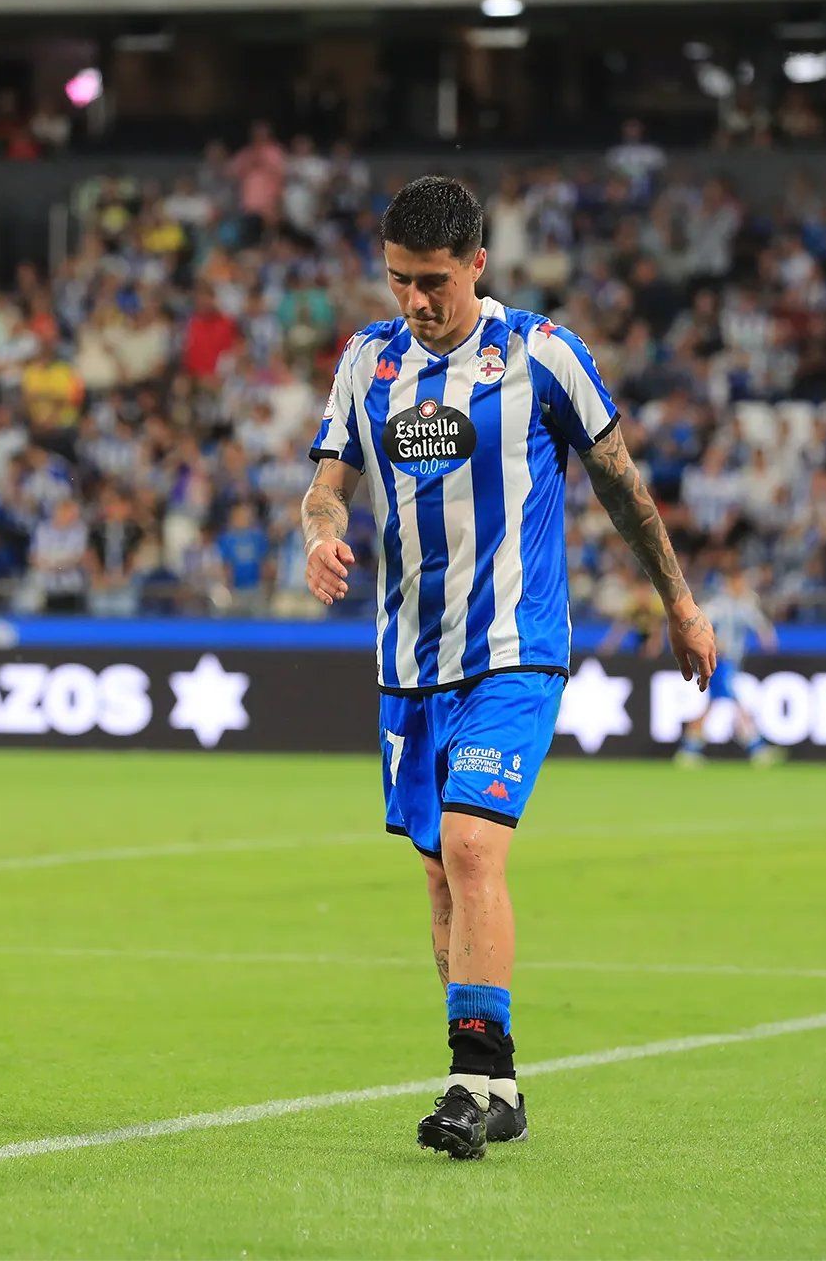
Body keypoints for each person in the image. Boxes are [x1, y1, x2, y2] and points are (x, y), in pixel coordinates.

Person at [299, 176, 716, 1160]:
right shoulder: (368, 360)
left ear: (477, 265)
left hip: (515, 651)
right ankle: (499, 1084)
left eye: (433, 281)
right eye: (399, 279)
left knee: (476, 849)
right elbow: (326, 483)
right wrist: (318, 535)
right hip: (408, 661)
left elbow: (623, 486)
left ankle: (461, 1074)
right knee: (444, 873)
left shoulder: (541, 353)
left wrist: (680, 601)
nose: (415, 300)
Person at [675, 569, 782, 767]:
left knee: (718, 704)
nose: (742, 586)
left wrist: (767, 638)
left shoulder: (743, 605)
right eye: (738, 582)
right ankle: (757, 749)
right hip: (718, 662)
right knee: (734, 703)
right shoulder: (718, 605)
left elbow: (760, 625)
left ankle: (689, 749)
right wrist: (714, 641)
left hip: (730, 662)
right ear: (730, 583)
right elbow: (699, 623)